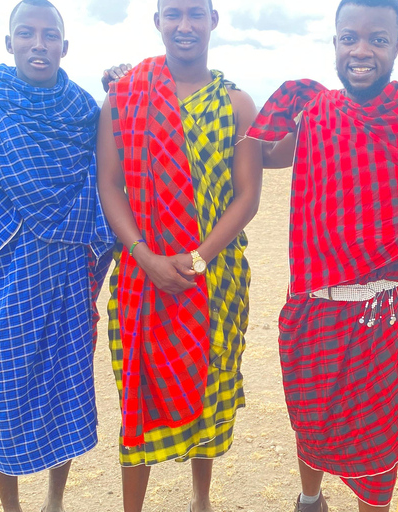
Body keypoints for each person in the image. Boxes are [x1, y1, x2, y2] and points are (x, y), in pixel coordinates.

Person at [247, 1, 398, 510]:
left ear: (397, 47)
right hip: (313, 303)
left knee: (377, 452)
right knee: (310, 420)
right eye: (349, 36)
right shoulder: (309, 109)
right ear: (334, 42)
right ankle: (310, 500)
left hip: (388, 314)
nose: (361, 50)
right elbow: (252, 150)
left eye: (377, 39)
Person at [0, 1, 114, 511]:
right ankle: (10, 506)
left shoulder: (84, 113)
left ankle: (54, 500)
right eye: (27, 34)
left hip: (62, 276)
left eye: (49, 34)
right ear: (9, 44)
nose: (39, 43)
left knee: (64, 391)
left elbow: (109, 183)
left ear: (64, 46)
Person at [95, 0, 263, 511]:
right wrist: (144, 255)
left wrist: (200, 257)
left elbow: (247, 196)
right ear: (158, 21)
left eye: (196, 13)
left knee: (210, 383)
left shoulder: (237, 104)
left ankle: (201, 498)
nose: (184, 25)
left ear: (213, 20)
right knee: (139, 395)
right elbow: (109, 185)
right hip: (141, 280)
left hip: (213, 278)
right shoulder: (125, 98)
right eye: (174, 14)